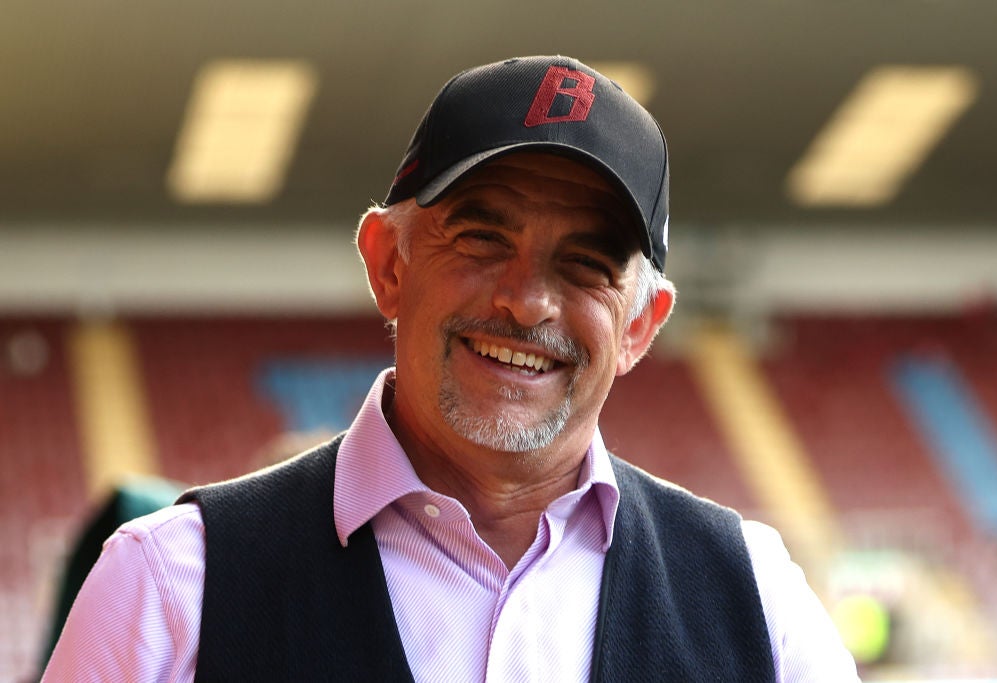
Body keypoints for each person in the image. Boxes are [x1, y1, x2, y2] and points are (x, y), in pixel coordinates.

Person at [43, 55, 859, 681]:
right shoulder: (167, 587)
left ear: (641, 324)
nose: (528, 301)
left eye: (585, 264)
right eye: (481, 239)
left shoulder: (760, 602)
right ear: (387, 264)